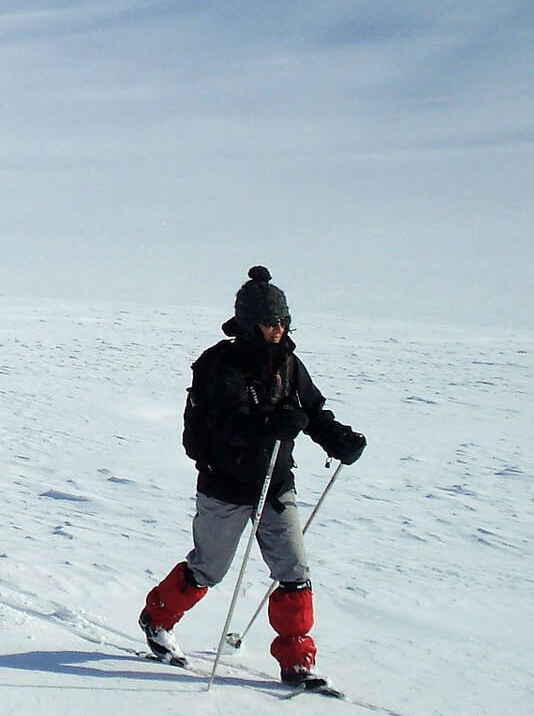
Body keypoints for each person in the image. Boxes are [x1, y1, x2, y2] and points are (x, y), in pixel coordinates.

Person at [139, 266, 367, 689]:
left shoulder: (290, 364)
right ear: (249, 323)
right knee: (207, 570)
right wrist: (271, 428)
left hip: (277, 485)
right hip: (226, 487)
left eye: (283, 321)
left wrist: (339, 439)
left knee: (294, 571)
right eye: (269, 322)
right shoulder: (218, 365)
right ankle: (156, 619)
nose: (278, 329)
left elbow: (312, 412)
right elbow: (223, 426)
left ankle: (298, 660)